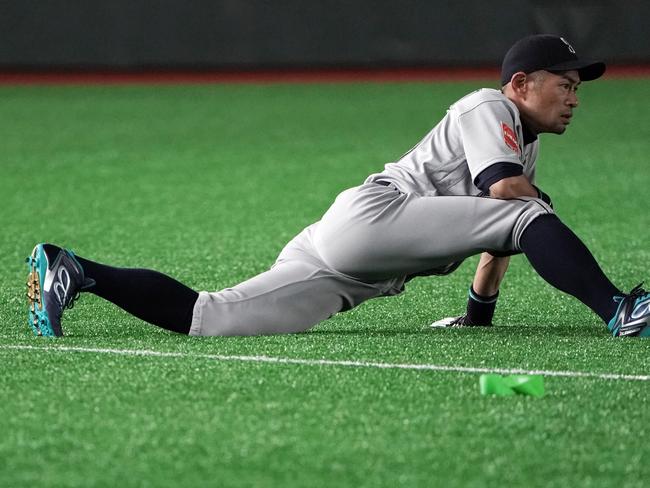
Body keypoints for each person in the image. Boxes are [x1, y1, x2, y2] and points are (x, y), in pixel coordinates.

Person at [25, 34, 650, 339]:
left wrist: (478, 316)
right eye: (564, 83)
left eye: (577, 87)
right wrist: (535, 209)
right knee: (525, 213)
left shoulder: (522, 139)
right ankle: (620, 310)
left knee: (208, 317)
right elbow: (507, 205)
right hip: (377, 219)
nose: (573, 96)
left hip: (346, 260)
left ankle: (77, 270)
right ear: (520, 84)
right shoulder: (488, 106)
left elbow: (499, 234)